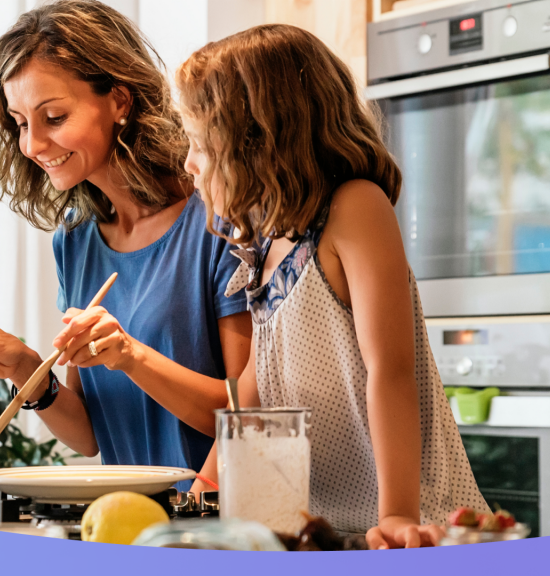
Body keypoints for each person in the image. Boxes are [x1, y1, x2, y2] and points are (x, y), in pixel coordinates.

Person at [173, 24, 489, 547]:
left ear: (258, 137)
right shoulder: (265, 240)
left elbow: (389, 369)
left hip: (409, 522)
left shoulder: (356, 208)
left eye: (200, 144)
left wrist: (396, 514)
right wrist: (199, 498)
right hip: (323, 528)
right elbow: (252, 395)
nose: (189, 163)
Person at [0, 0, 251, 490]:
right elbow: (90, 433)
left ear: (119, 101)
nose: (31, 145)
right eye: (21, 123)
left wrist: (130, 355)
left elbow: (248, 414)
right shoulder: (76, 239)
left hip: (215, 527)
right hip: (132, 521)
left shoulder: (216, 218)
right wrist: (27, 368)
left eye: (53, 116)